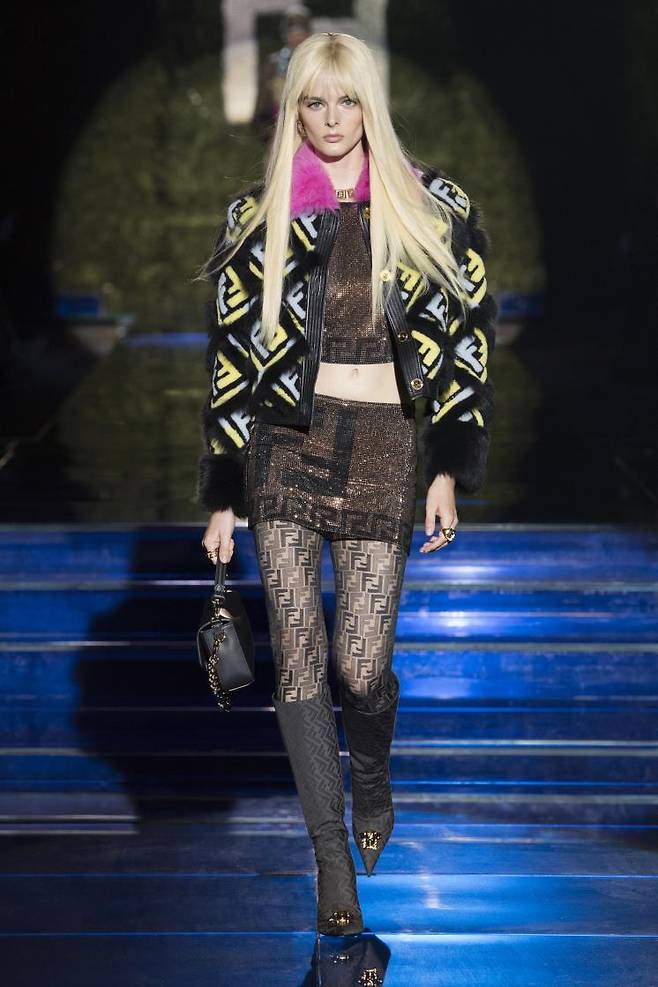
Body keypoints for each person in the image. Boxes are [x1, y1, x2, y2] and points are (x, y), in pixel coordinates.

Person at [198, 32, 496, 936]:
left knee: (361, 669)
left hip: (386, 446)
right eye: (314, 103)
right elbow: (231, 356)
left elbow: (467, 340)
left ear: (372, 104)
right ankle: (332, 863)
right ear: (293, 111)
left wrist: (447, 465)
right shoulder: (259, 216)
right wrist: (223, 490)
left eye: (347, 101)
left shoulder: (435, 206)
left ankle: (371, 770)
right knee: (298, 657)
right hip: (286, 446)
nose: (331, 120)